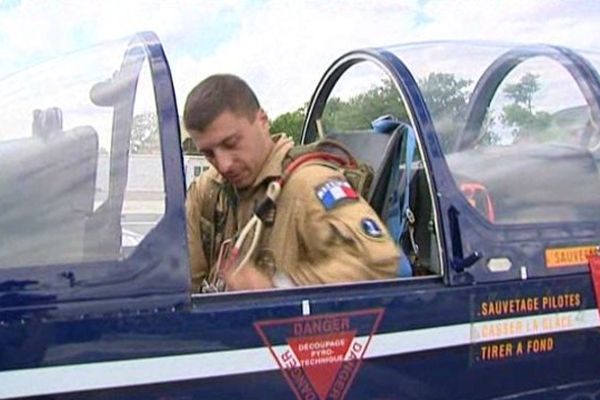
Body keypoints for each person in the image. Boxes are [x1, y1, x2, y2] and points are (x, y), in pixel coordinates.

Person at [183, 73, 399, 292]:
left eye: (231, 143)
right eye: (209, 153)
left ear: (263, 121)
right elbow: (183, 283)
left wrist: (276, 287)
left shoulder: (308, 183)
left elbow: (377, 260)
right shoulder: (209, 189)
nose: (224, 164)